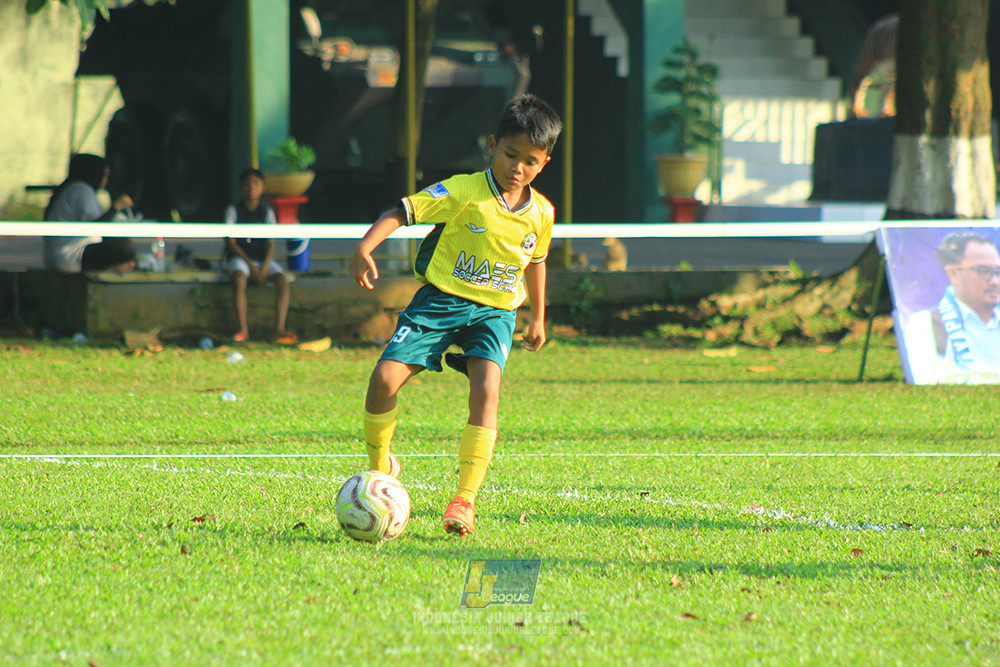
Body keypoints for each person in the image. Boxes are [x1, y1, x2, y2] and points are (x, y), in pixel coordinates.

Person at [348, 94, 562, 537]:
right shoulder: (462, 190)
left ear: (544, 163)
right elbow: (401, 211)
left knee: (488, 390)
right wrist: (365, 247)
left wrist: (538, 316)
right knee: (383, 381)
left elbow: (536, 261)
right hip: (440, 301)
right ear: (491, 145)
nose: (517, 168)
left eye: (530, 161)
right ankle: (381, 468)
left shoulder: (542, 213)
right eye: (509, 154)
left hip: (495, 313)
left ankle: (465, 498)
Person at [902, 231, 1000, 383]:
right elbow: (927, 380)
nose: (994, 281)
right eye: (984, 271)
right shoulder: (926, 323)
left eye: (998, 271)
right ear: (954, 274)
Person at [223, 167, 297, 344]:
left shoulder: (266, 212)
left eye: (256, 183)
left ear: (263, 188)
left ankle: (278, 328)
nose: (252, 187)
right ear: (240, 187)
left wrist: (263, 267)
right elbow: (231, 243)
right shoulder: (233, 210)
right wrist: (251, 266)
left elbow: (270, 243)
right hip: (240, 259)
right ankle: (243, 330)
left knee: (282, 280)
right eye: (247, 183)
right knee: (239, 279)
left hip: (261, 260)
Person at [43, 153, 134, 272]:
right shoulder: (81, 190)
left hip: (60, 256)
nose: (106, 179)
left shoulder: (71, 188)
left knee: (118, 246)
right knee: (124, 248)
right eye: (104, 174)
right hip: (71, 255)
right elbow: (96, 227)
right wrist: (116, 207)